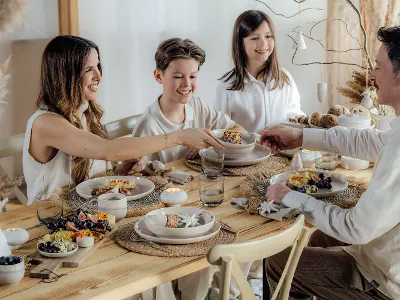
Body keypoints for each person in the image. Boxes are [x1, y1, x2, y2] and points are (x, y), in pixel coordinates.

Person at [260, 26, 400, 300]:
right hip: (381, 255)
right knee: (317, 238)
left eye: (379, 67)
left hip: (382, 282)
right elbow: (370, 142)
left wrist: (290, 197)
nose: (371, 76)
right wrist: (301, 136)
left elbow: (356, 229)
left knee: (277, 262)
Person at [22, 35, 222, 205]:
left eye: (97, 66)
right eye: (88, 69)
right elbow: (109, 150)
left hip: (88, 213)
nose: (99, 75)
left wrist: (120, 169)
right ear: (64, 74)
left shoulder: (84, 114)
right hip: (49, 221)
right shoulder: (45, 123)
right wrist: (180, 137)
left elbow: (91, 177)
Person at [132, 38, 245, 163]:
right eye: (178, 77)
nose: (187, 84)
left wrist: (209, 142)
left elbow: (239, 130)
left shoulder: (197, 105)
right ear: (159, 76)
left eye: (192, 76)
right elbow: (137, 175)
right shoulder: (147, 126)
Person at [215, 10, 306, 134]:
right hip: (247, 152)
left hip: (282, 152)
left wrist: (299, 119)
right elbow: (220, 128)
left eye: (268, 36)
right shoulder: (226, 86)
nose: (263, 43)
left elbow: (294, 112)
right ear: (241, 43)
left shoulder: (285, 79)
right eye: (254, 38)